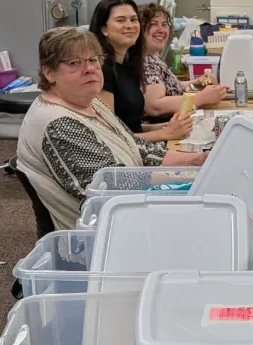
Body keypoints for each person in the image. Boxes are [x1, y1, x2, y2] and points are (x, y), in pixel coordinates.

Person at [17, 27, 207, 230]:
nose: (89, 69)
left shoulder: (90, 102)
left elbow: (137, 147)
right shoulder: (58, 123)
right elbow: (113, 187)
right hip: (103, 234)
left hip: (126, 211)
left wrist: (197, 160)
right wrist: (191, 176)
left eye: (92, 60)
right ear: (49, 72)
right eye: (74, 63)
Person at [90, 0, 190, 142]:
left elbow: (130, 126)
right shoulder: (102, 70)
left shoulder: (129, 65)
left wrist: (167, 127)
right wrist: (165, 134)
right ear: (104, 29)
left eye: (133, 19)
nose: (129, 26)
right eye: (120, 20)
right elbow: (111, 137)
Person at [139, 4, 226, 118]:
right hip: (165, 129)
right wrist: (202, 97)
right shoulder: (146, 62)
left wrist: (197, 82)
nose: (161, 30)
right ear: (140, 29)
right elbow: (155, 106)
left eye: (164, 24)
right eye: (154, 24)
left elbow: (169, 87)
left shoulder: (154, 56)